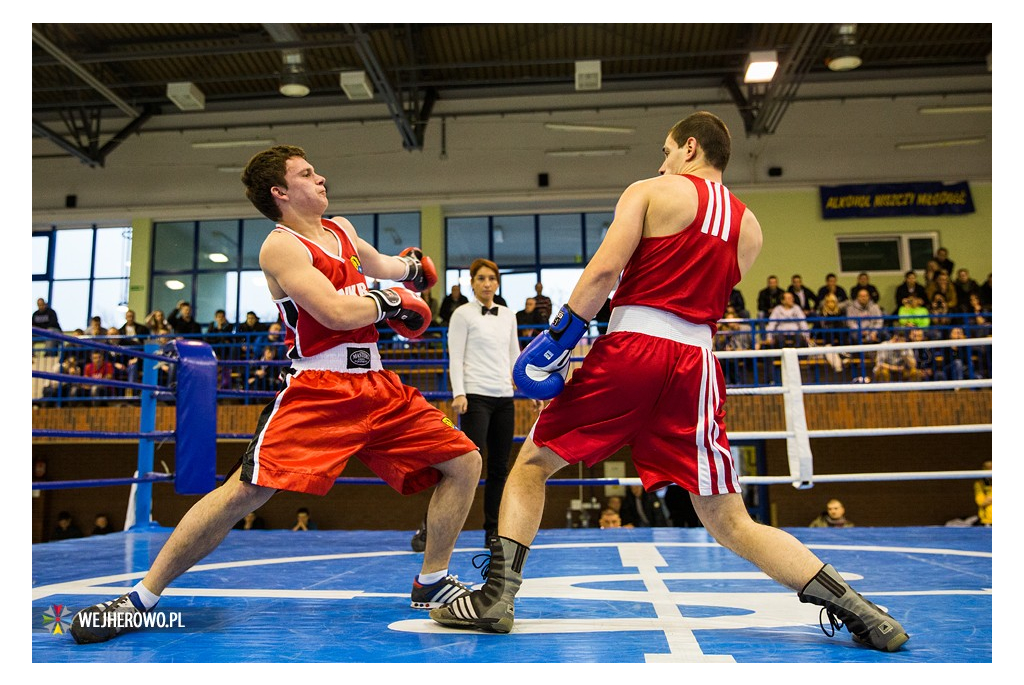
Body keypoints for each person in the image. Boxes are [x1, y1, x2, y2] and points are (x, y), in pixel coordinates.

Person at [429, 111, 908, 652]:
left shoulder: (652, 192)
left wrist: (558, 341)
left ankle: (496, 597)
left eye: (665, 150)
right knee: (730, 519)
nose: (661, 162)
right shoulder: (749, 227)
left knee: (532, 466)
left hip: (635, 351)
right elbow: (701, 298)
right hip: (698, 366)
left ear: (689, 148)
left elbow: (607, 272)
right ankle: (861, 610)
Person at [71, 144, 483, 645]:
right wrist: (392, 301)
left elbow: (380, 265)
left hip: (377, 384)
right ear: (281, 193)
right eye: (307, 174)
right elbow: (335, 312)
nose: (321, 177)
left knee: (464, 462)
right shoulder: (281, 247)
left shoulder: (343, 230)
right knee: (244, 492)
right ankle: (140, 599)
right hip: (319, 388)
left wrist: (412, 272)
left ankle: (432, 580)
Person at [413, 258, 522, 548]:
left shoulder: (509, 315)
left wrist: (529, 390)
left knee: (499, 468)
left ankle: (493, 532)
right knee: (463, 467)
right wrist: (458, 393)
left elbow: (515, 356)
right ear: (472, 282)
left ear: (497, 283)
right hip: (475, 397)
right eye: (481, 278)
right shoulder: (462, 314)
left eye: (492, 279)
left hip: (504, 398)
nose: (487, 283)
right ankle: (429, 529)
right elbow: (455, 356)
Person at [973, 460, 992, 526]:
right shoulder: (979, 484)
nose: (990, 470)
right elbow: (981, 502)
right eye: (988, 468)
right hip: (987, 521)